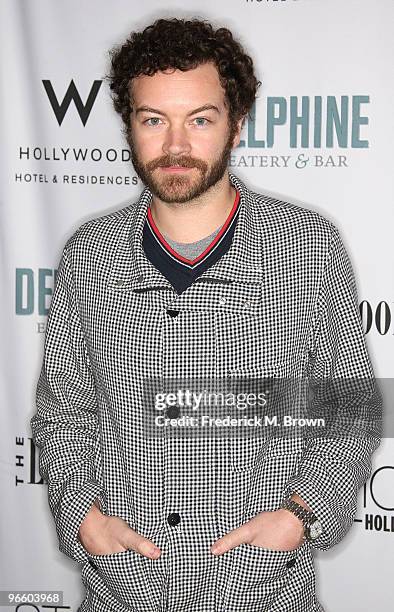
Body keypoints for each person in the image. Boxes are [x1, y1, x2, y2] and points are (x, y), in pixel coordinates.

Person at [30, 17, 382, 612]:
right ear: (129, 127)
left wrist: (303, 514)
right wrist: (81, 516)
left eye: (200, 119)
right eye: (153, 120)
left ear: (236, 125)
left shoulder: (307, 245)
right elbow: (62, 415)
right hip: (125, 590)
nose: (175, 147)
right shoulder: (88, 256)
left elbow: (348, 412)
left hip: (259, 590)